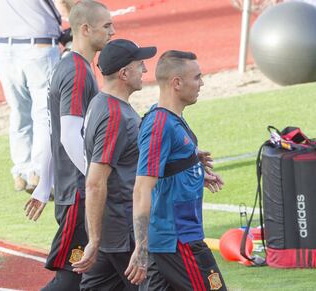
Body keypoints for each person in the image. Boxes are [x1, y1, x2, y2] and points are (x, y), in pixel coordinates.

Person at [25, 1, 115, 290]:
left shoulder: (73, 65)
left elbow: (55, 131)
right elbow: (67, 134)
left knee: (97, 272)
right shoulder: (76, 71)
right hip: (79, 194)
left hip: (74, 189)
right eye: (107, 26)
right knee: (71, 277)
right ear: (85, 29)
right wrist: (96, 177)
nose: (112, 31)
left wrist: (45, 184)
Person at [125, 50, 227, 291]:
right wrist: (140, 248)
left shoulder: (171, 119)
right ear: (177, 83)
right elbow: (142, 188)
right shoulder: (159, 125)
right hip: (178, 239)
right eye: (197, 77)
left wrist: (195, 172)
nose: (201, 83)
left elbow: (166, 170)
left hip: (172, 238)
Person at [71, 39, 157, 291]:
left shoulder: (101, 103)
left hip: (111, 232)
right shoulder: (114, 115)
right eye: (140, 64)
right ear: (124, 73)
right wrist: (94, 240)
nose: (144, 70)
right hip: (122, 233)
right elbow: (96, 181)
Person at [0, 0, 74, 193]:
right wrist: (77, 21)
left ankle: (21, 170)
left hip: (3, 46)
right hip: (39, 45)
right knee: (44, 112)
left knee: (19, 110)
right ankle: (40, 172)